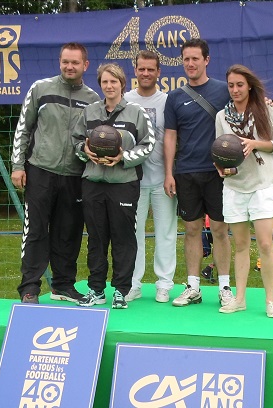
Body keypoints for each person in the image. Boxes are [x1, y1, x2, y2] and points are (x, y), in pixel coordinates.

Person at [10, 43, 100, 304]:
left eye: (75, 62)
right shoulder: (40, 89)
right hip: (40, 171)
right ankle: (29, 288)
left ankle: (63, 286)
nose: (69, 67)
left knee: (68, 232)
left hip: (75, 176)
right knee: (35, 230)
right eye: (65, 62)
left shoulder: (93, 99)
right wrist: (18, 166)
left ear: (85, 65)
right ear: (60, 62)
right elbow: (23, 129)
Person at [72, 62, 154, 309]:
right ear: (100, 85)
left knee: (123, 238)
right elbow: (76, 141)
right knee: (96, 238)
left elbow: (148, 145)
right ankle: (96, 290)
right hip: (93, 183)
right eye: (105, 82)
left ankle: (121, 290)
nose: (109, 86)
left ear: (122, 84)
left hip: (124, 183)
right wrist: (85, 151)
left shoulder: (136, 112)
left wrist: (123, 157)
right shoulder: (89, 112)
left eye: (113, 82)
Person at [163, 38, 233, 308]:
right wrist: (169, 172)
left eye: (195, 58)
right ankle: (193, 287)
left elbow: (244, 114)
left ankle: (225, 287)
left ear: (207, 60)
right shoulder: (175, 97)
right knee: (192, 229)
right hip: (186, 172)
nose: (190, 64)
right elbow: (170, 137)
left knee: (220, 229)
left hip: (218, 173)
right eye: (186, 59)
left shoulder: (223, 90)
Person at [215, 64, 273, 318]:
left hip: (261, 185)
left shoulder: (265, 110)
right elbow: (219, 151)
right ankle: (240, 299)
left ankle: (270, 301)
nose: (235, 90)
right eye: (231, 85)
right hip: (234, 187)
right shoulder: (222, 117)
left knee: (266, 244)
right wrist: (221, 167)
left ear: (250, 86)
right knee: (241, 245)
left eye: (240, 85)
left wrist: (255, 144)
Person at [123, 51, 177, 303]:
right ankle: (133, 283)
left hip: (162, 178)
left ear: (159, 72)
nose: (146, 73)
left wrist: (170, 173)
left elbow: (173, 138)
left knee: (166, 231)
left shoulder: (168, 100)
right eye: (141, 69)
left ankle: (164, 284)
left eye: (150, 69)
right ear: (135, 70)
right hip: (131, 180)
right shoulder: (124, 99)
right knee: (133, 233)